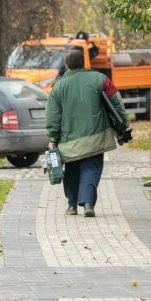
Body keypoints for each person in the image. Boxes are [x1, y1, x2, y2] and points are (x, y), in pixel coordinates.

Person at [46, 48, 130, 218]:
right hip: (96, 136)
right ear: (83, 62)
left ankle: (71, 205)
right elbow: (116, 102)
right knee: (91, 169)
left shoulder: (58, 87)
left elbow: (53, 116)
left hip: (69, 140)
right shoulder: (100, 79)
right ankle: (88, 204)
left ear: (67, 65)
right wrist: (123, 124)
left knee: (71, 169)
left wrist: (53, 138)